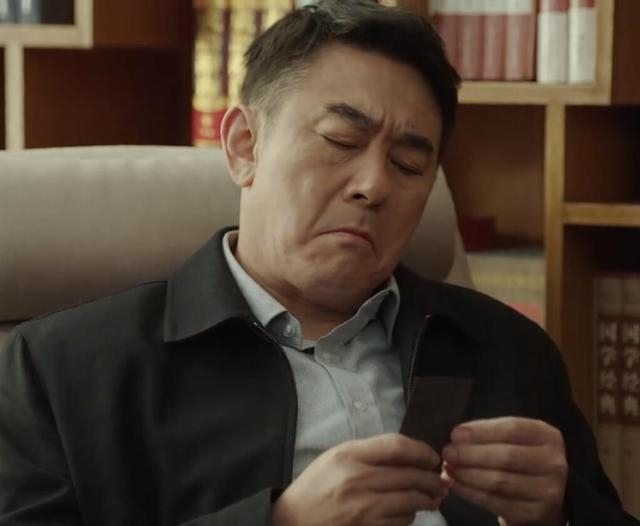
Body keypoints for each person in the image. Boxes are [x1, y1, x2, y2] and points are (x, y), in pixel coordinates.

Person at [0, 1, 636, 525]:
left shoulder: (508, 351)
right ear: (244, 146)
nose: (374, 186)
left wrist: (560, 513)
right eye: (341, 141)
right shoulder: (58, 371)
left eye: (409, 164)